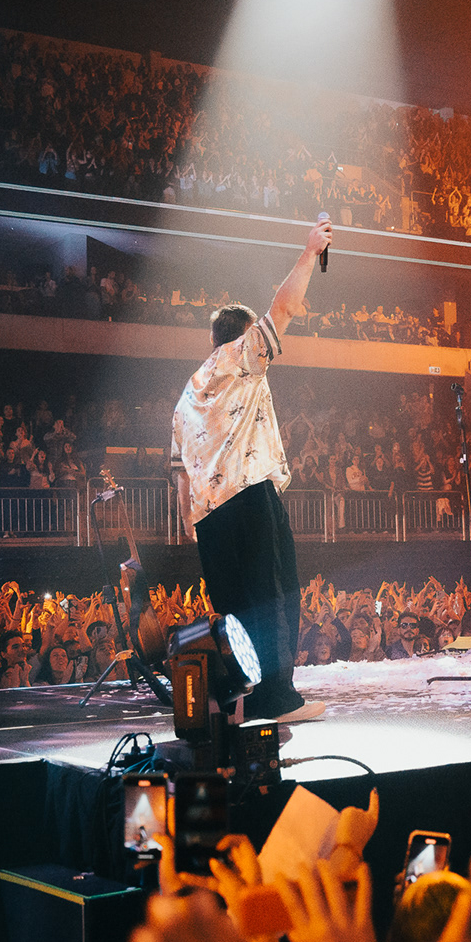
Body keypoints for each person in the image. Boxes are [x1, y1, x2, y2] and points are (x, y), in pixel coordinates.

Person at [168, 215, 334, 725]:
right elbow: (283, 308)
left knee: (236, 610)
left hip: (209, 518)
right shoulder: (241, 355)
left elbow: (179, 472)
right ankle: (278, 700)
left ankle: (246, 698)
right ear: (242, 336)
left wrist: (192, 525)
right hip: (248, 498)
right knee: (275, 596)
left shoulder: (186, 395)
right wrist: (310, 252)